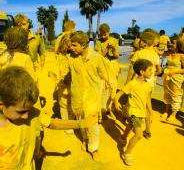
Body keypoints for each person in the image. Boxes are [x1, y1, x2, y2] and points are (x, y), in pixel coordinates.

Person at [0, 66, 98, 170]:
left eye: (28, 110)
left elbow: (52, 123)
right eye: (21, 112)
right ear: (2, 105)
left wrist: (82, 123)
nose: (26, 116)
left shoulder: (32, 113)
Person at [58, 31, 114, 161]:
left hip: (92, 96)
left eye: (74, 45)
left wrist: (111, 87)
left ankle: (94, 148)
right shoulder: (70, 58)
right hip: (77, 95)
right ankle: (85, 139)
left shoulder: (96, 57)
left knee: (92, 122)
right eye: (71, 45)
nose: (71, 47)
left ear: (84, 45)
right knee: (81, 120)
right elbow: (63, 72)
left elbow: (106, 74)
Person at [115, 59, 153, 166]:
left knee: (130, 126)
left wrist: (150, 111)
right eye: (150, 70)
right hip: (133, 112)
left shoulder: (148, 85)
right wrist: (116, 102)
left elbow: (147, 99)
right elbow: (119, 94)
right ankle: (127, 153)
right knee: (139, 135)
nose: (152, 73)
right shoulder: (132, 84)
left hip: (141, 112)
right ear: (142, 72)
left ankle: (122, 138)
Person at [95, 23, 120, 113]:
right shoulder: (98, 42)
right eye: (101, 34)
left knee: (113, 86)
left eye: (105, 34)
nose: (103, 36)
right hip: (102, 64)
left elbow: (116, 56)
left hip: (112, 65)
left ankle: (110, 106)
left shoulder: (114, 40)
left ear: (109, 32)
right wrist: (106, 49)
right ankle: (102, 107)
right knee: (103, 86)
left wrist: (113, 49)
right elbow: (99, 56)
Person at [161, 37, 184, 122]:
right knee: (167, 93)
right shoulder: (169, 53)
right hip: (167, 76)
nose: (171, 44)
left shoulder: (182, 56)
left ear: (178, 46)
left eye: (173, 43)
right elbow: (160, 53)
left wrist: (175, 71)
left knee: (176, 95)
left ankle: (173, 114)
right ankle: (166, 111)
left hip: (177, 77)